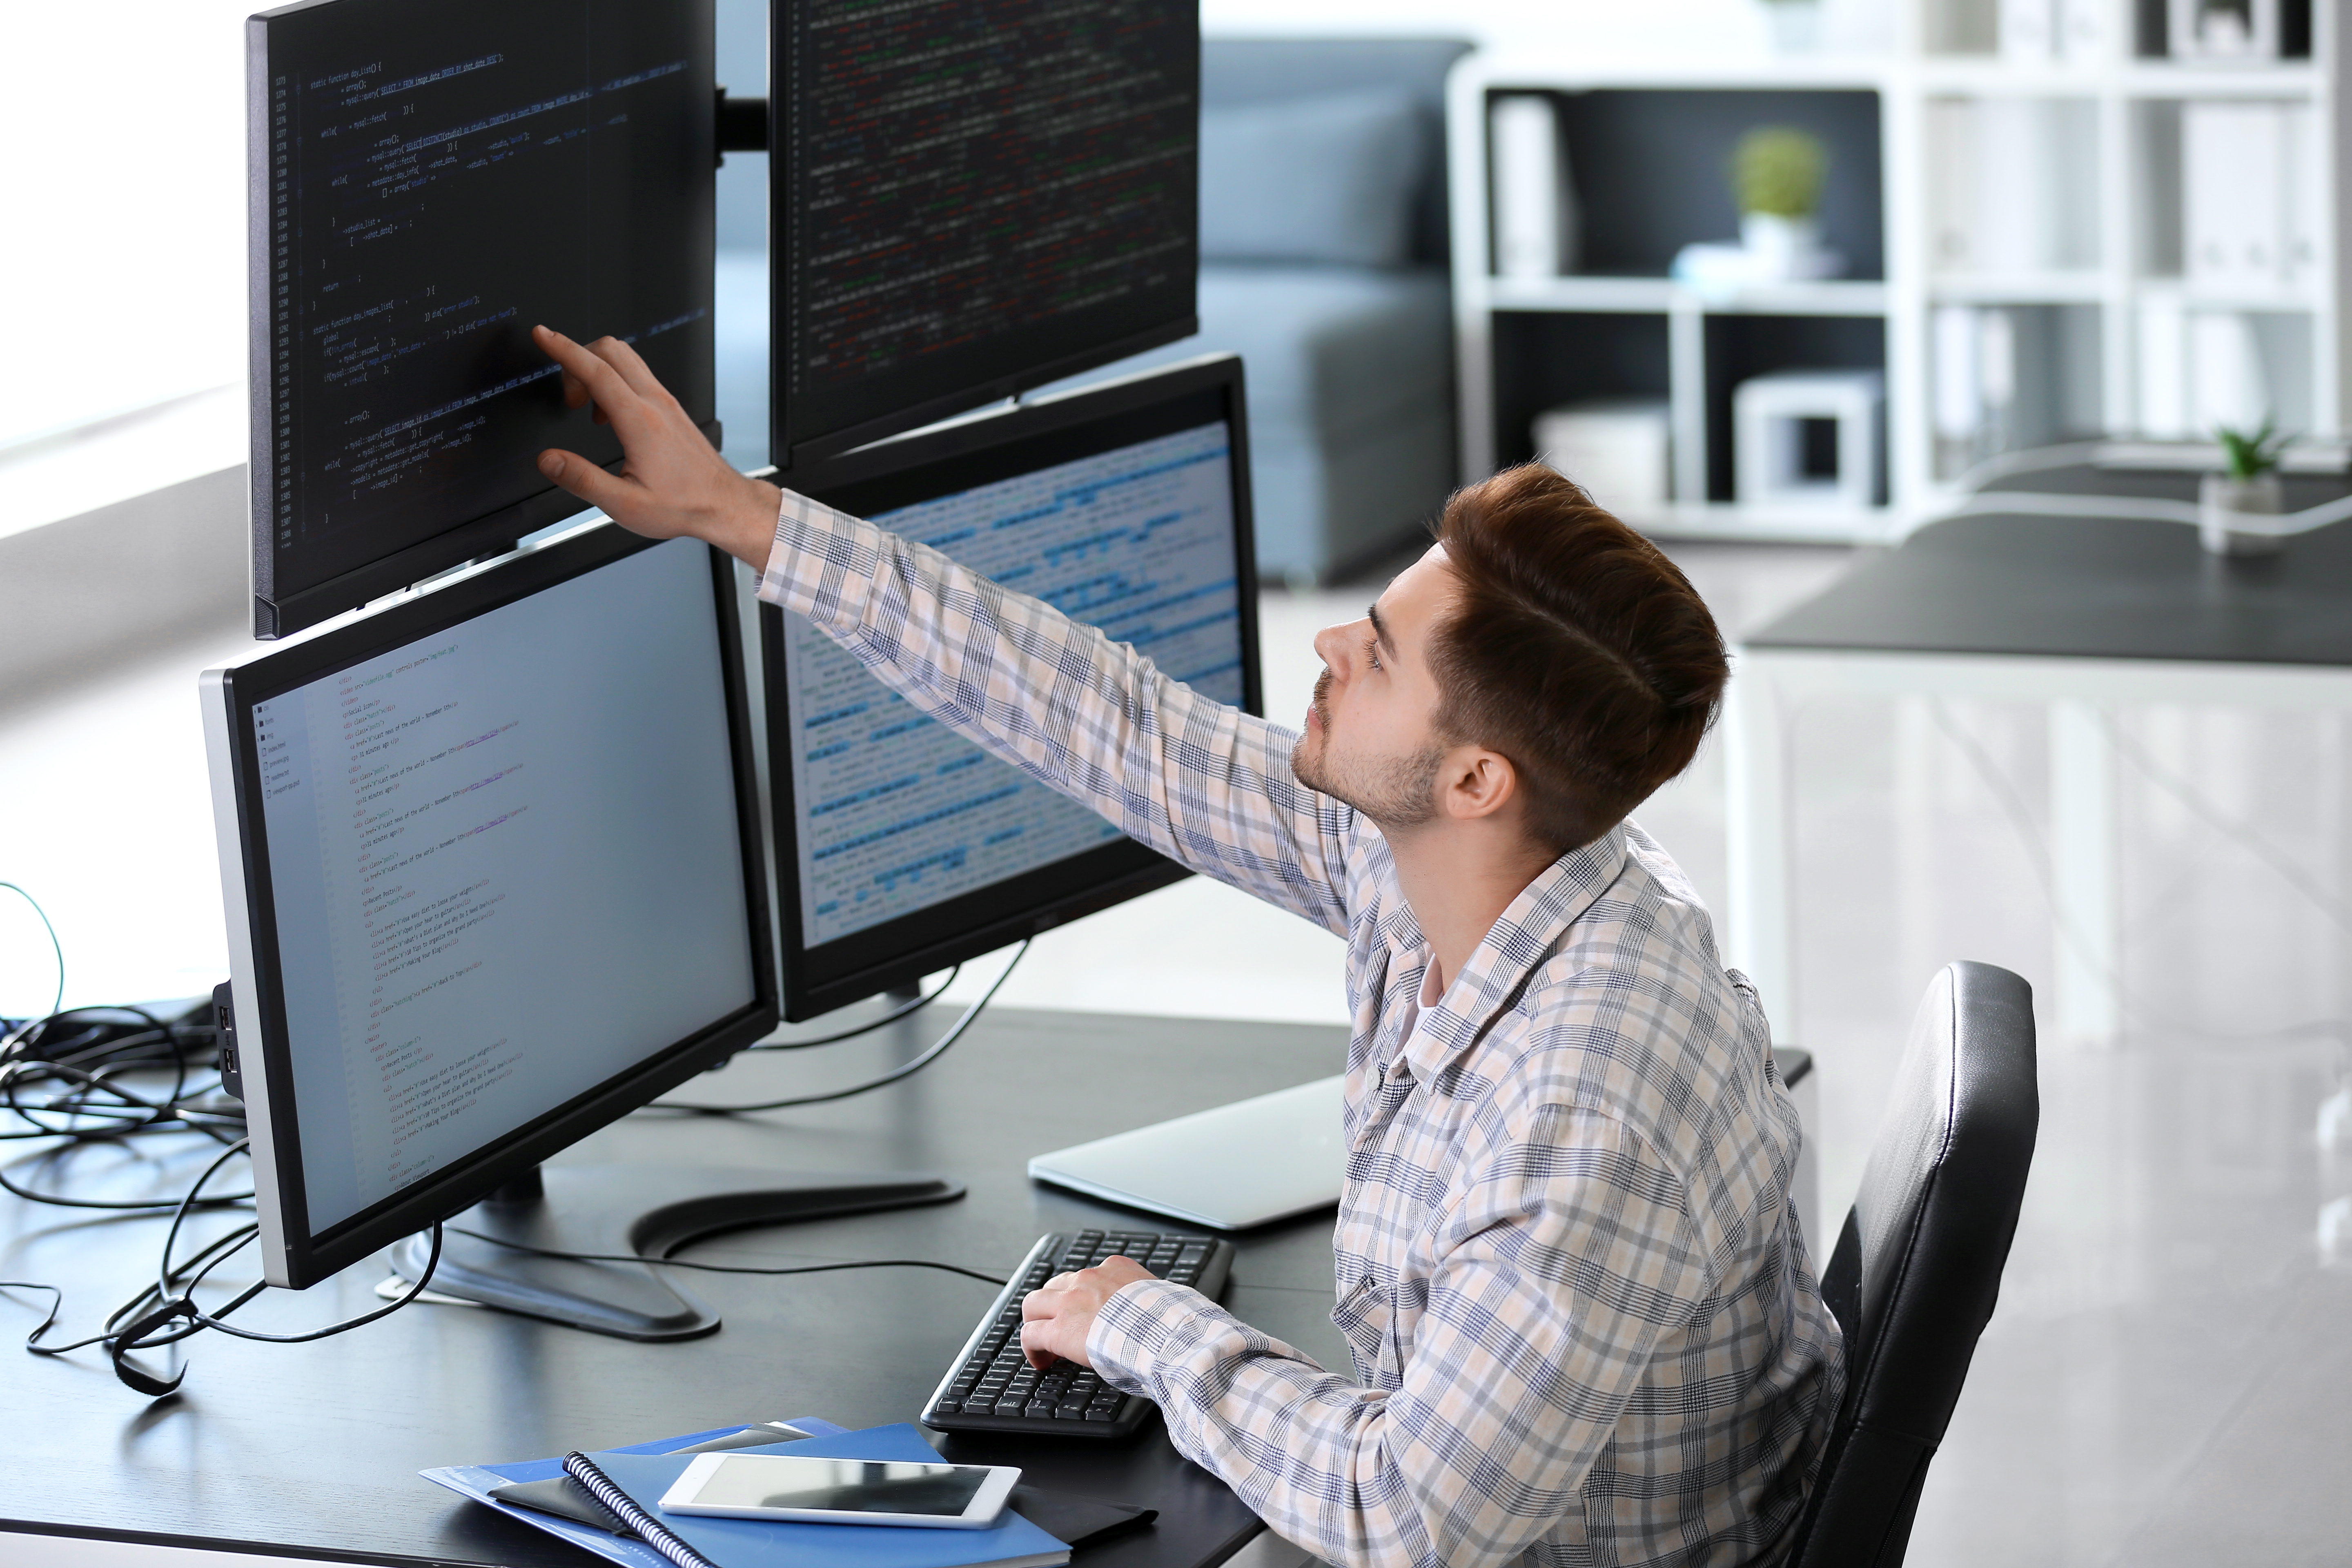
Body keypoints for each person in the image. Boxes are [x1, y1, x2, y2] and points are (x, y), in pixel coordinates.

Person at [528, 325, 1844, 1568]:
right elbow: (1123, 731)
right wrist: (739, 515)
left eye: (1377, 657)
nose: (1327, 641)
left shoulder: (1580, 1112)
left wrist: (1141, 1326)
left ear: (1476, 781)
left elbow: (1402, 1520)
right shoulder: (1474, 868)